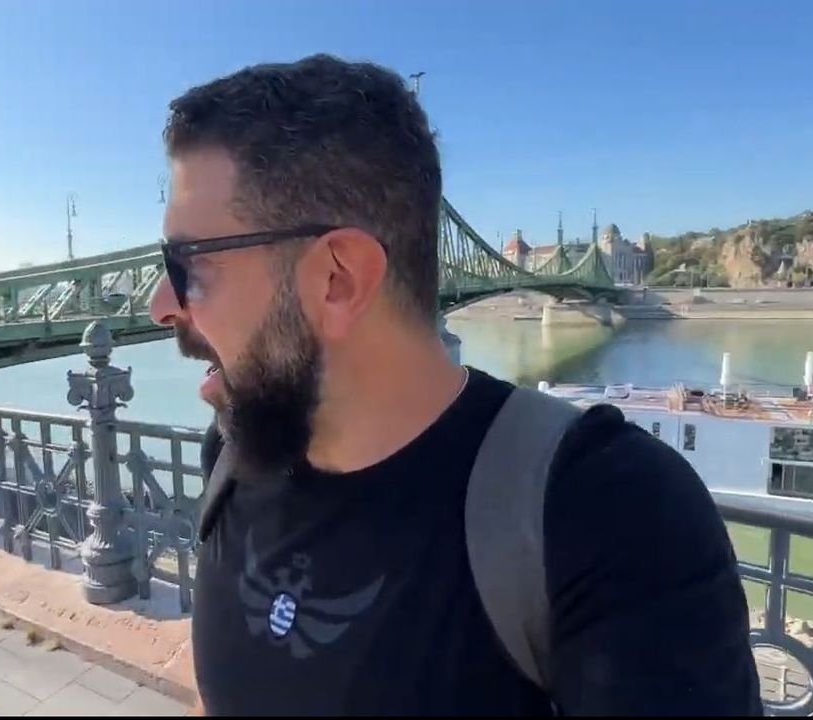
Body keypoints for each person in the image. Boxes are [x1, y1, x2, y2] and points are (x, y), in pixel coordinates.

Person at [149, 54, 762, 716]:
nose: (159, 305)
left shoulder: (610, 517)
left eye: (187, 268)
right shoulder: (237, 451)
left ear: (338, 280)